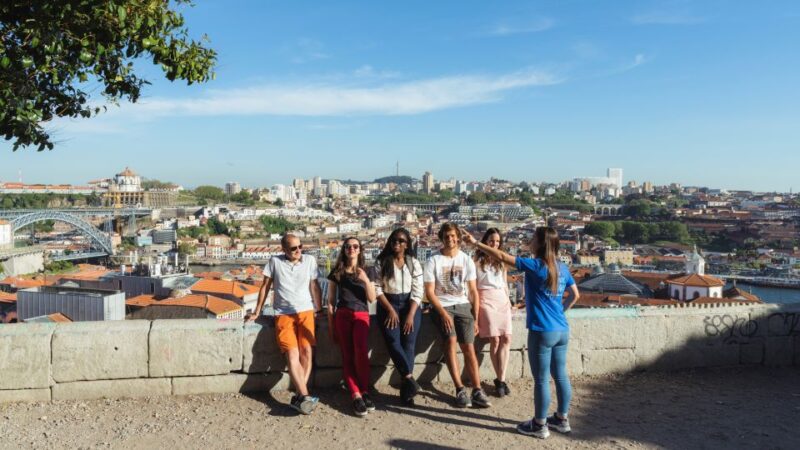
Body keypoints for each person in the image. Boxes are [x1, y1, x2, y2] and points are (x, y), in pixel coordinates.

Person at [462, 226, 580, 439]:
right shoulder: (562, 267)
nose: (530, 241)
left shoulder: (535, 265)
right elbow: (575, 295)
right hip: (562, 329)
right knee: (561, 375)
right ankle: (562, 419)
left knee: (542, 380)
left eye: (533, 238)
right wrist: (560, 312)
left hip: (542, 330)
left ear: (541, 244)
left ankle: (540, 424)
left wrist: (476, 243)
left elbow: (502, 257)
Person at [247, 234, 322, 415]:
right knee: (292, 353)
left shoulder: (310, 261)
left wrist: (319, 309)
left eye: (300, 246)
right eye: (293, 248)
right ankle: (304, 395)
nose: (298, 251)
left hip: (305, 310)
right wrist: (257, 311)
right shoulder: (275, 262)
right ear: (284, 249)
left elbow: (314, 286)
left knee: (307, 352)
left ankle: (301, 396)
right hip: (283, 313)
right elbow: (265, 286)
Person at [424, 222, 492, 408]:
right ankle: (460, 389)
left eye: (453, 236)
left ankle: (477, 389)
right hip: (442, 306)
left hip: (463, 305)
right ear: (442, 238)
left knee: (469, 346)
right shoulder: (433, 260)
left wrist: (475, 317)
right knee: (451, 341)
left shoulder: (466, 259)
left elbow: (473, 291)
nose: (450, 239)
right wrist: (443, 313)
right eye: (446, 236)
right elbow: (429, 292)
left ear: (458, 238)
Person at [326, 237, 377, 417]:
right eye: (348, 246)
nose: (352, 249)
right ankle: (356, 394)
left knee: (361, 352)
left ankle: (364, 391)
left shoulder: (368, 271)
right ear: (344, 250)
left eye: (355, 246)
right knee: (347, 355)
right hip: (343, 315)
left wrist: (365, 280)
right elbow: (330, 301)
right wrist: (331, 326)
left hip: (361, 314)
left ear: (360, 249)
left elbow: (372, 298)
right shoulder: (337, 272)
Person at [374, 228, 424, 405]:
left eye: (401, 241)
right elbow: (377, 288)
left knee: (409, 344)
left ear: (407, 244)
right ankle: (409, 378)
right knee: (393, 342)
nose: (397, 243)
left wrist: (411, 314)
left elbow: (418, 290)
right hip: (388, 303)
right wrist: (390, 309)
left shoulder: (413, 263)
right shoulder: (381, 262)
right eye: (394, 240)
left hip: (410, 304)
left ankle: (406, 391)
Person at [473, 228, 513, 397]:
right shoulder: (476, 261)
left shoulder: (501, 260)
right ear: (485, 241)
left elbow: (504, 283)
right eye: (491, 241)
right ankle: (501, 382)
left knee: (507, 338)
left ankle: (500, 380)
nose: (495, 244)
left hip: (501, 299)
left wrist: (509, 300)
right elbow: (473, 287)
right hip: (485, 299)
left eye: (497, 241)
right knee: (495, 340)